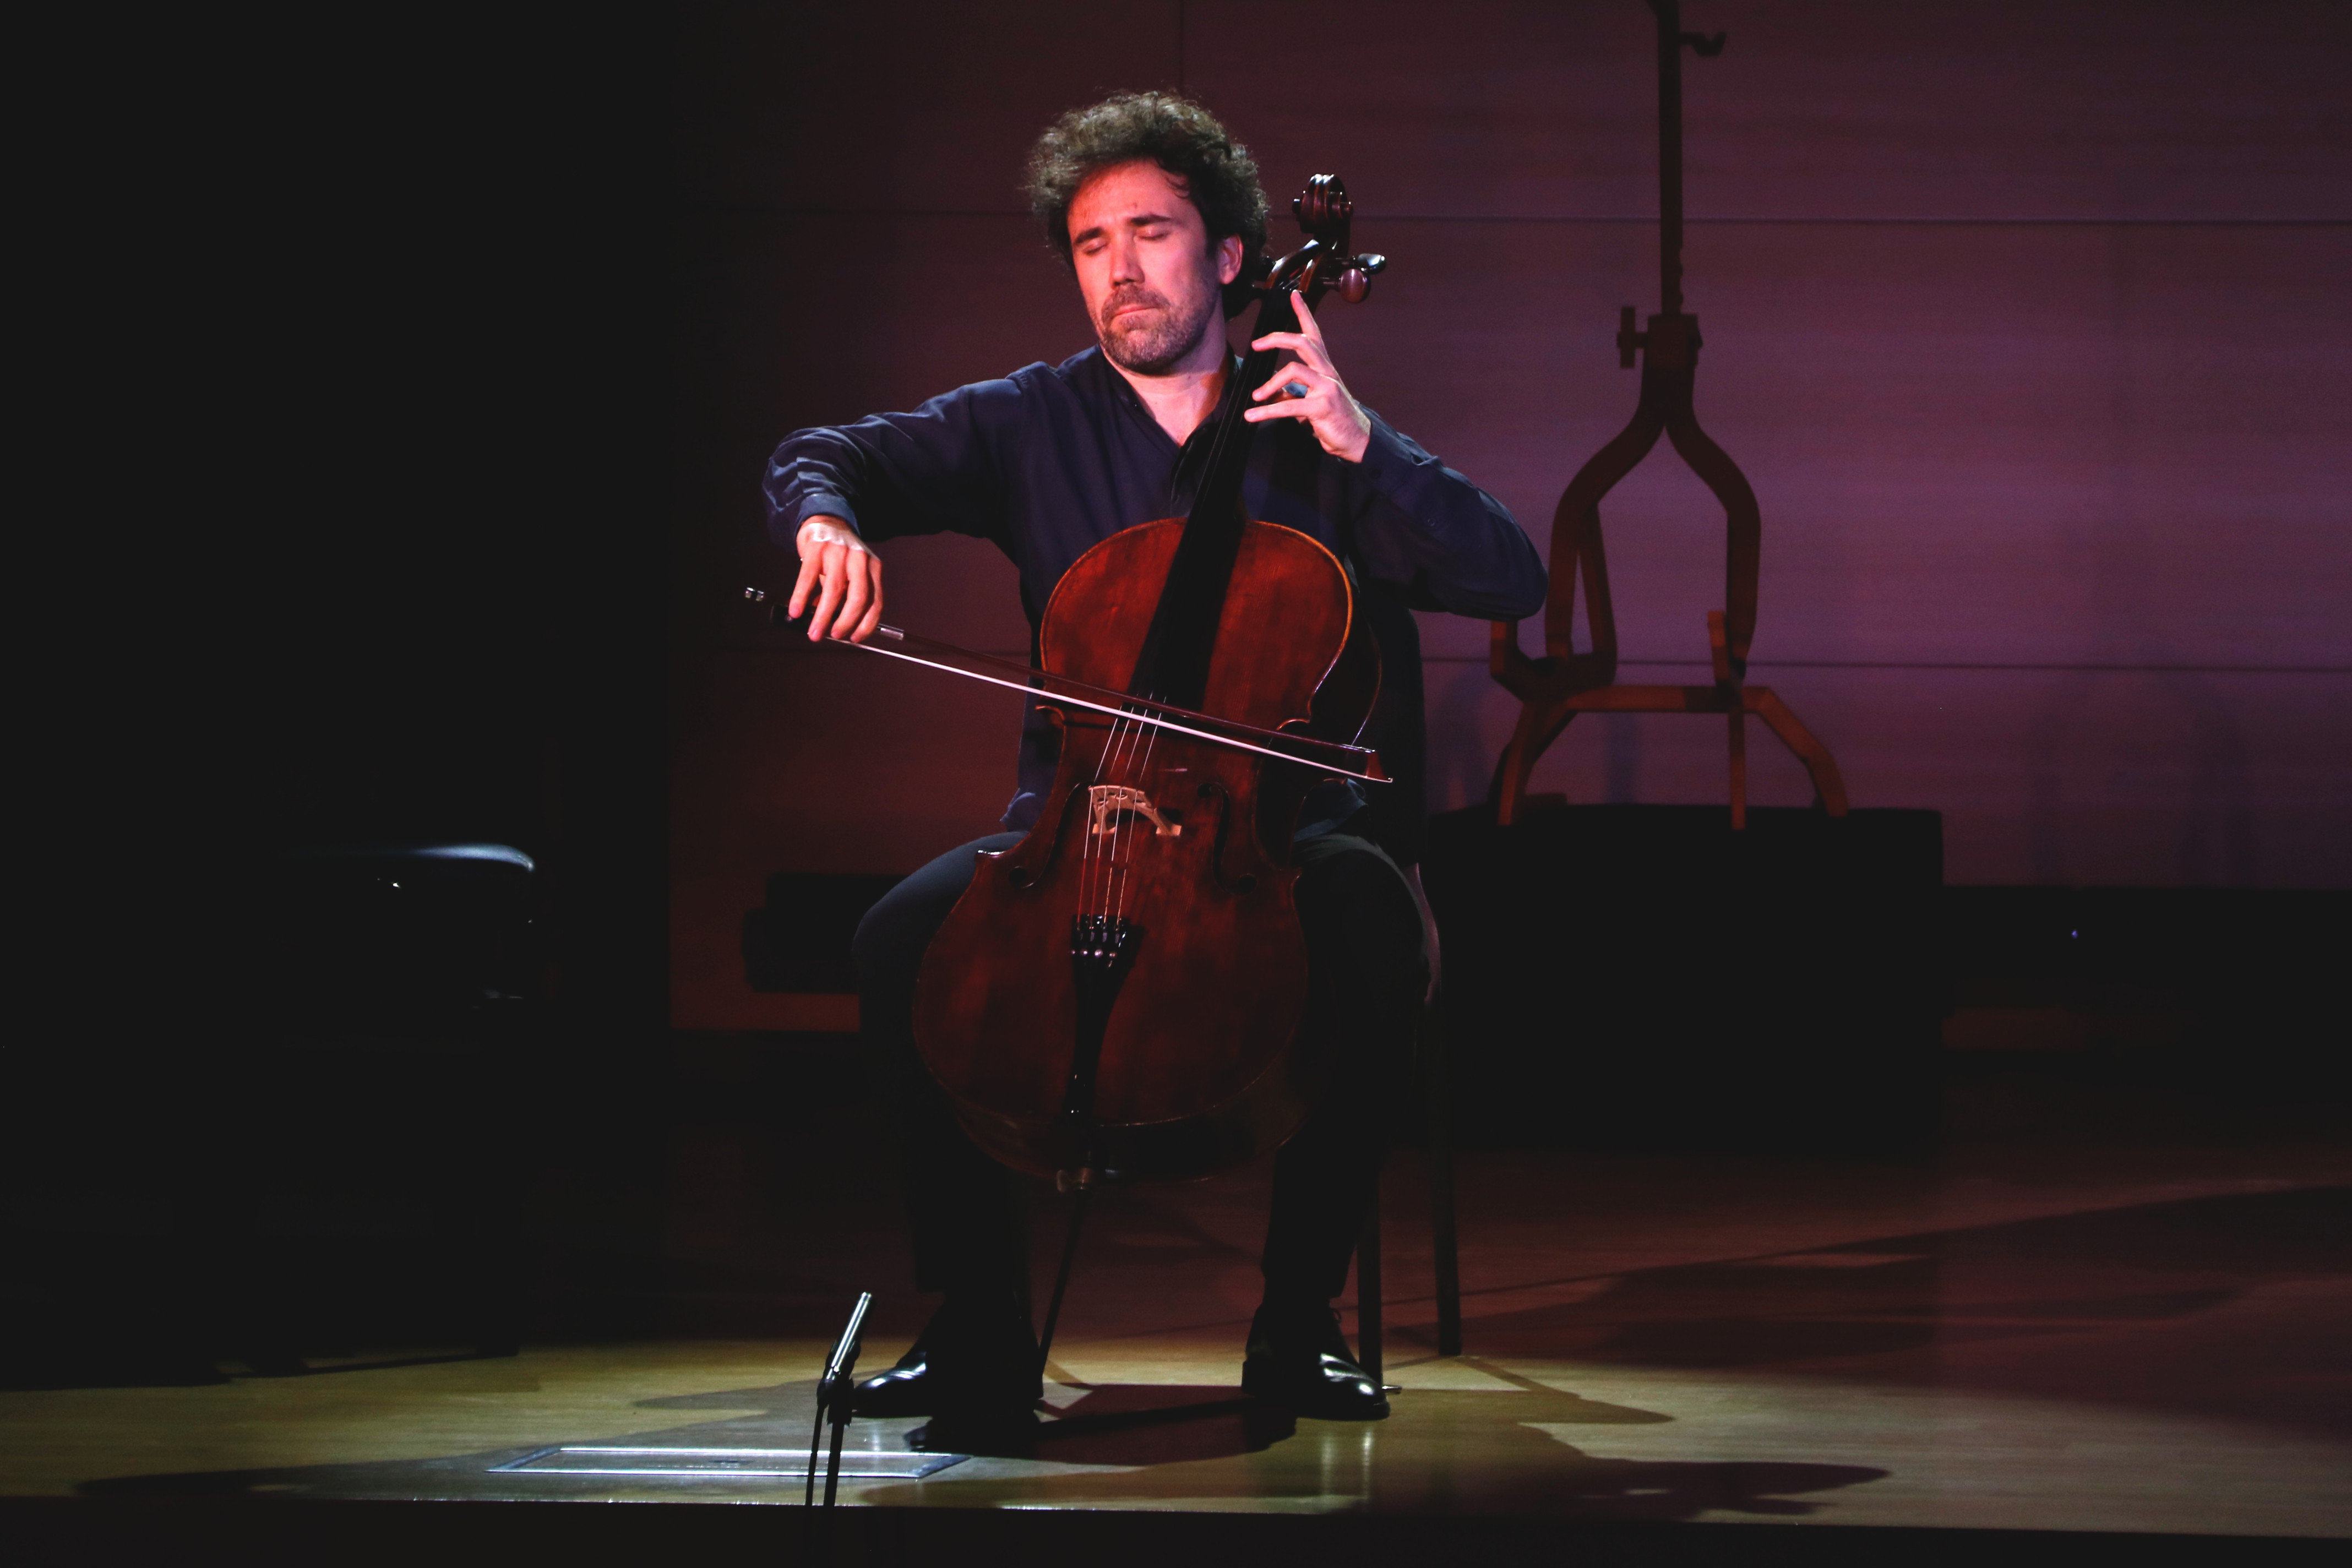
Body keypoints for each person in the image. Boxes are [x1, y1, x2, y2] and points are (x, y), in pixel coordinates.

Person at [765, 92, 1543, 1427]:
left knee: (1372, 926)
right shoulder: (1027, 420)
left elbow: (1508, 576)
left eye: (1153, 232)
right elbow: (823, 454)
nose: (1120, 269)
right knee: (896, 941)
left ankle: (1294, 1329)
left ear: (1230, 257)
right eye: (1089, 243)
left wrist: (1371, 445)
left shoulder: (1317, 423)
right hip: (1067, 823)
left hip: (1277, 837)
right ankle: (977, 1326)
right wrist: (825, 524)